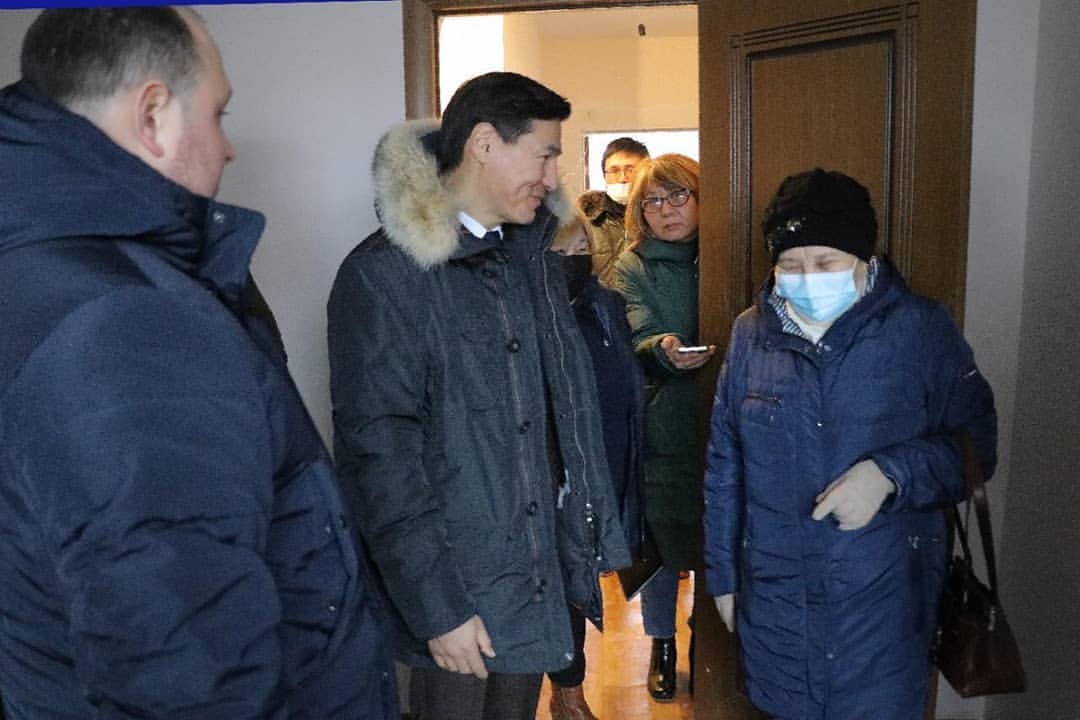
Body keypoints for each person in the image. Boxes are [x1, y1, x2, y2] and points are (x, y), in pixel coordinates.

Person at [0, 7, 397, 719]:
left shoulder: (34, 269)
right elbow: (182, 667)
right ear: (152, 116)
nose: (229, 148)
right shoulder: (127, 322)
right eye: (217, 114)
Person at [327, 72, 630, 720]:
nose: (551, 177)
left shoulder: (532, 265)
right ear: (486, 144)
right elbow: (379, 460)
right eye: (544, 154)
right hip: (455, 592)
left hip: (532, 574)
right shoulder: (385, 277)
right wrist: (438, 608)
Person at [703, 169, 998, 719]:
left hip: (885, 610)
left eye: (826, 263)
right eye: (790, 265)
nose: (807, 279)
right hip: (776, 604)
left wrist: (890, 475)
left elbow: (977, 444)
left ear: (864, 258)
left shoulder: (921, 329)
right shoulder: (751, 334)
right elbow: (725, 465)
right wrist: (722, 576)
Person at [610, 153, 717, 702]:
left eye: (678, 196)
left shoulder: (724, 252)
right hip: (660, 421)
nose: (666, 210)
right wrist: (661, 346)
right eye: (652, 201)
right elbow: (633, 328)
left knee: (713, 540)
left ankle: (707, 642)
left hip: (720, 417)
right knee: (659, 547)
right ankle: (662, 643)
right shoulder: (633, 265)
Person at [546, 216, 646, 720]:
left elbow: (625, 379)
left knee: (579, 573)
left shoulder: (606, 305)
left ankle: (568, 692)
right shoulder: (527, 310)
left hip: (602, 459)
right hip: (549, 471)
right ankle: (568, 692)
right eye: (561, 251)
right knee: (561, 578)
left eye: (581, 247)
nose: (574, 260)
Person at [577, 136, 649, 286]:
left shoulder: (659, 216)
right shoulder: (584, 218)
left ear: (645, 173)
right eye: (614, 170)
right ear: (604, 175)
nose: (622, 178)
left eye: (630, 170)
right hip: (597, 300)